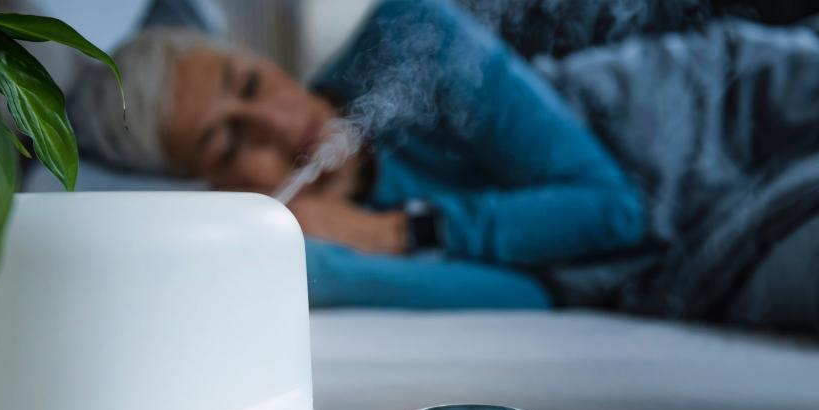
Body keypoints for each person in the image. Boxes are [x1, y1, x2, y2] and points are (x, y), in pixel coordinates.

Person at [71, 0, 819, 333]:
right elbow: (534, 299)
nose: (278, 120)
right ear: (208, 190)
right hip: (723, 229)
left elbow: (610, 210)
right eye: (228, 142)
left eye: (251, 84)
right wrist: (328, 254)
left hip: (745, 114)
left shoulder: (408, 34)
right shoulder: (315, 258)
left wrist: (396, 233)